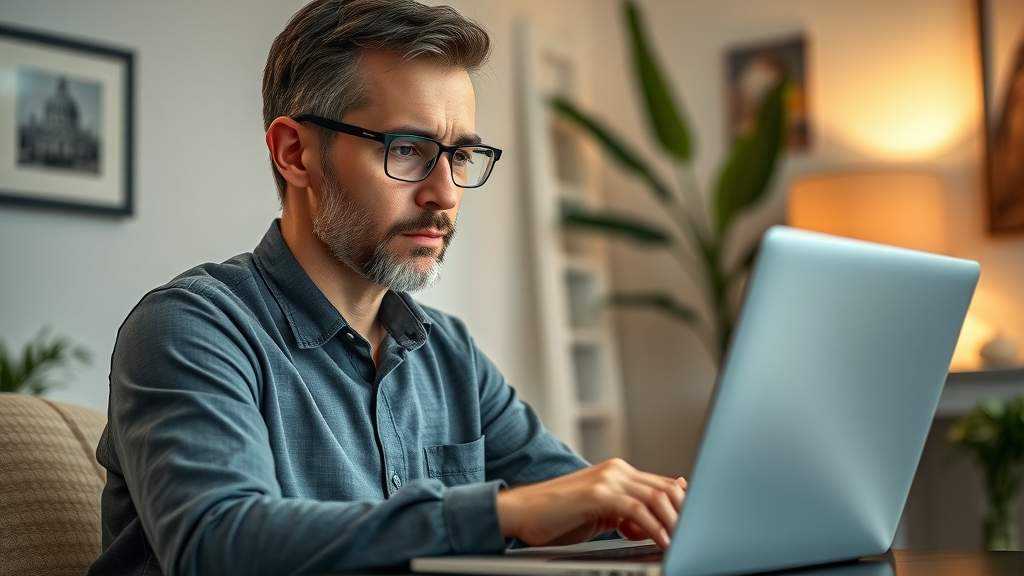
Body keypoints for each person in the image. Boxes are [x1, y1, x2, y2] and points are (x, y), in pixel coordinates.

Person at [89, 1, 686, 575]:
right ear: (295, 153)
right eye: (407, 150)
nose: (446, 194)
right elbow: (218, 543)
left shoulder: (448, 353)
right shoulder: (191, 328)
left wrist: (672, 516)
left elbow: (590, 508)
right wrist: (502, 513)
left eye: (461, 156)